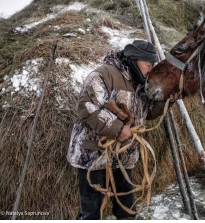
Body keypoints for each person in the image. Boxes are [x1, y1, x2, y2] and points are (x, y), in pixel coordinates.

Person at [67, 40, 177, 220]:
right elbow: (86, 107)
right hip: (94, 158)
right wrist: (118, 129)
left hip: (124, 158)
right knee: (93, 213)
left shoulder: (141, 83)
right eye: (148, 64)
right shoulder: (104, 74)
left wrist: (167, 100)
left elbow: (147, 113)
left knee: (127, 209)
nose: (150, 69)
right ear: (134, 59)